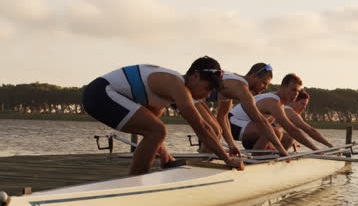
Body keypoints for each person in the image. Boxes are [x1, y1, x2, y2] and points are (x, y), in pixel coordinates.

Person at [82, 57, 244, 175]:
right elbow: (202, 128)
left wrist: (165, 154)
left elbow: (148, 126)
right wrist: (227, 159)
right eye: (208, 88)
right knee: (158, 130)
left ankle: (137, 179)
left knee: (154, 130)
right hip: (100, 94)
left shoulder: (167, 92)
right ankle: (136, 183)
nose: (207, 94)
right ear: (195, 76)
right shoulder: (176, 86)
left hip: (98, 94)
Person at [193, 61, 289, 157]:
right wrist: (280, 148)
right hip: (188, 92)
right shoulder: (243, 90)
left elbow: (222, 118)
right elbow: (261, 121)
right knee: (215, 129)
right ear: (254, 76)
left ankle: (203, 157)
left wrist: (231, 145)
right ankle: (202, 160)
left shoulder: (234, 84)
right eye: (264, 83)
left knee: (216, 129)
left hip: (196, 96)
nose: (265, 87)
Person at [228, 73, 320, 152]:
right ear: (284, 87)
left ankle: (274, 159)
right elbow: (292, 129)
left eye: (297, 92)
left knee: (288, 138)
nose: (295, 94)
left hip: (249, 130)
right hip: (233, 124)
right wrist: (317, 150)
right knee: (275, 132)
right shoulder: (273, 101)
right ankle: (258, 156)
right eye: (293, 90)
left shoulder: (280, 104)